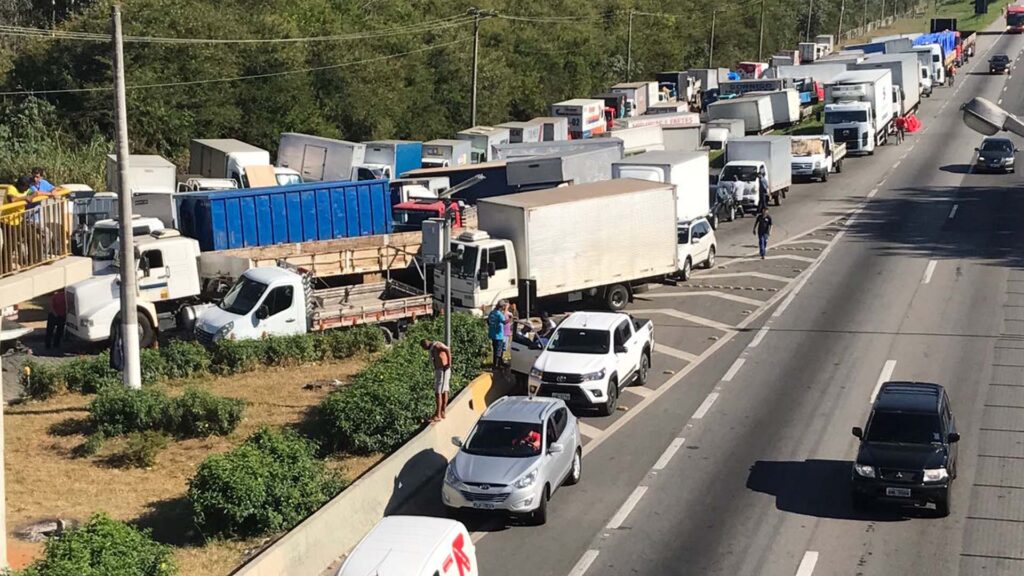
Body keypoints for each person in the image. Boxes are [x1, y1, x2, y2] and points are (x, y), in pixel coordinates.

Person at [421, 339, 452, 422]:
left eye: (424, 347)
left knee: (438, 393)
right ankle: (442, 412)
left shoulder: (436, 345)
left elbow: (447, 349)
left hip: (443, 370)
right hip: (442, 370)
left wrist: (449, 363)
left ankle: (438, 414)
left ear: (425, 344)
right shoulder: (433, 348)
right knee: (444, 391)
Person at [487, 300, 509, 368]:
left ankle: (497, 363)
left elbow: (488, 321)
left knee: (495, 349)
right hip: (499, 335)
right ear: (502, 307)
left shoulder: (492, 312)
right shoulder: (499, 314)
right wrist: (511, 319)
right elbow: (504, 322)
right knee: (499, 350)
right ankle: (497, 365)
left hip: (492, 334)